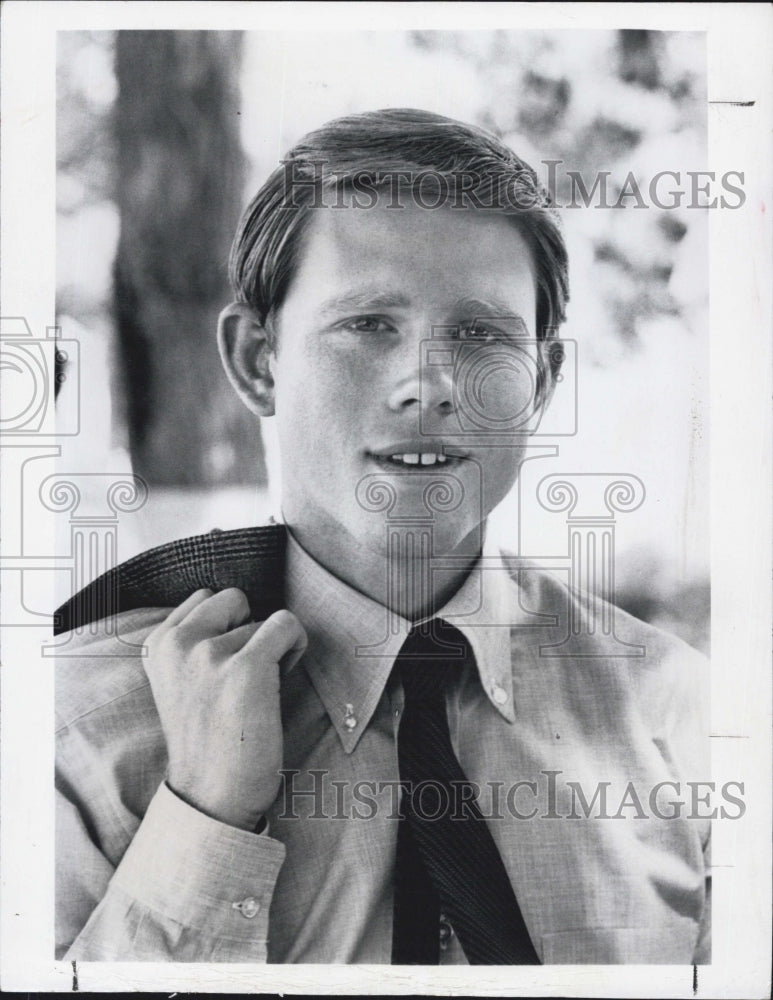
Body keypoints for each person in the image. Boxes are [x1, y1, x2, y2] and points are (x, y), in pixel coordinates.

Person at [55, 108, 710, 964]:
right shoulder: (75, 732)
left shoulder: (680, 717)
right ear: (259, 360)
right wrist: (205, 817)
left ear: (542, 381)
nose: (428, 385)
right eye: (368, 324)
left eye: (480, 334)